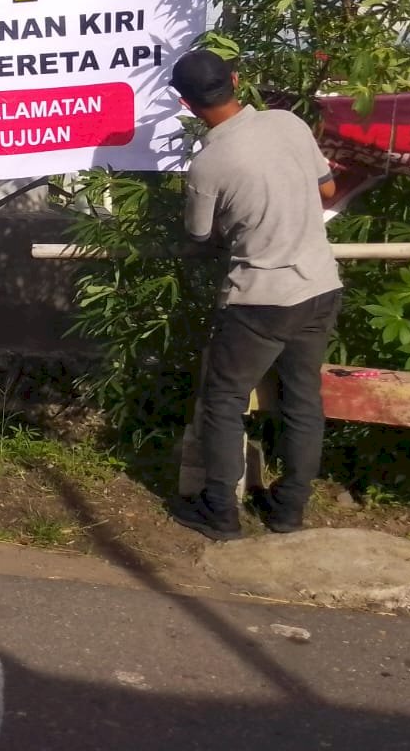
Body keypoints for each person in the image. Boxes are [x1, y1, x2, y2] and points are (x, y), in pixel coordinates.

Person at [168, 50, 342, 541]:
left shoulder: (208, 165)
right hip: (320, 285)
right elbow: (327, 191)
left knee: (222, 398)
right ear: (237, 80)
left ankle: (220, 510)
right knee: (303, 397)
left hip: (259, 299)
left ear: (185, 102)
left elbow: (201, 235)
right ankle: (289, 509)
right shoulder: (288, 123)